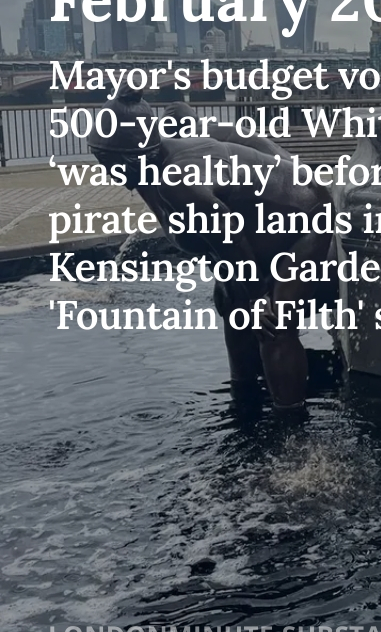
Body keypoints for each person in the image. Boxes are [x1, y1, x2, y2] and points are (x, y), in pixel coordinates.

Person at [87, 86, 332, 410]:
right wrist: (235, 289)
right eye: (100, 159)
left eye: (109, 161)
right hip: (262, 227)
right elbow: (217, 237)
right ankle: (243, 400)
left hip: (308, 216)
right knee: (232, 305)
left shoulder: (177, 182)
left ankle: (292, 424)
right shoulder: (156, 164)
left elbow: (229, 235)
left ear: (135, 155)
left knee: (273, 322)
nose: (106, 170)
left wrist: (259, 297)